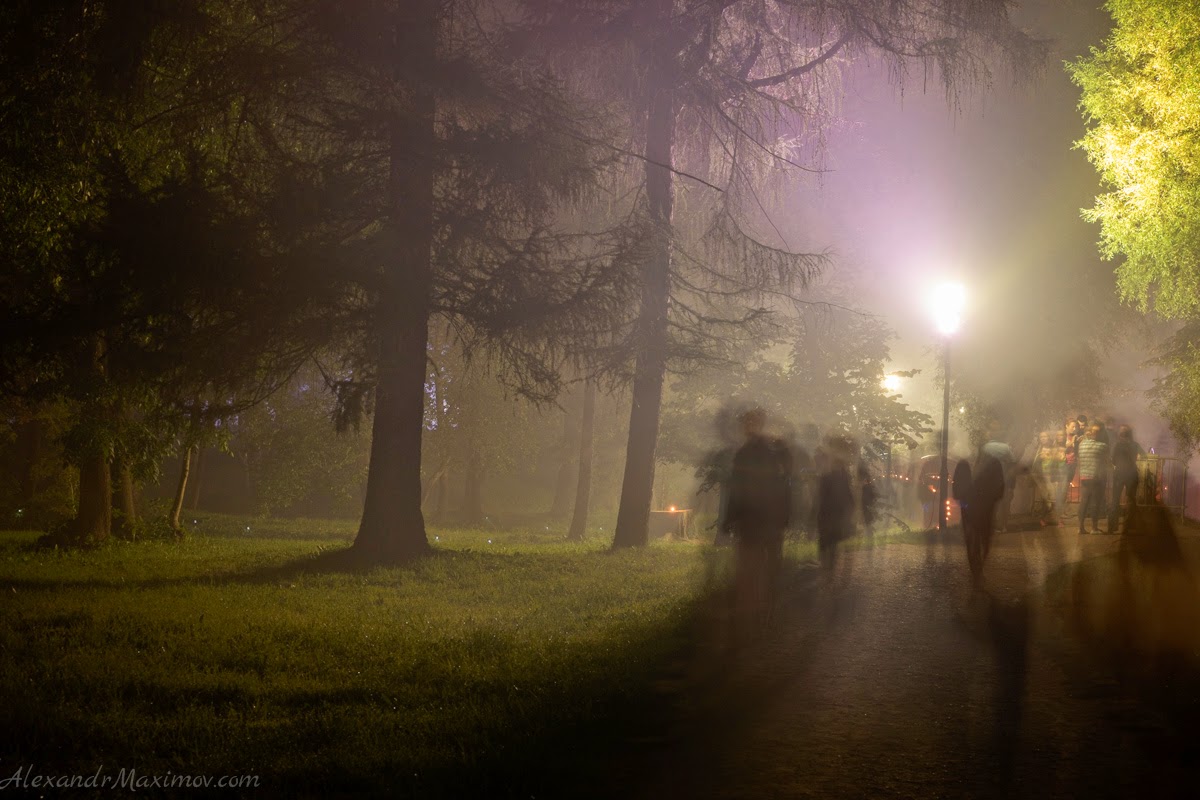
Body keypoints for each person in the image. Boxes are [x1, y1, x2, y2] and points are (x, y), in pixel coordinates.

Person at [722, 408, 792, 628]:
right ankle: (762, 609)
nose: (746, 427)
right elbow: (784, 486)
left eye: (748, 423)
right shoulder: (773, 451)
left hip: (756, 519)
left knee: (754, 566)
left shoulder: (748, 453)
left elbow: (737, 489)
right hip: (765, 519)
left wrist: (730, 517)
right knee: (766, 566)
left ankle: (754, 612)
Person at [816, 436, 855, 570]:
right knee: (828, 540)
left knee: (829, 540)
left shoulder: (836, 473)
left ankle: (828, 567)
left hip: (832, 510)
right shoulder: (837, 473)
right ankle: (827, 566)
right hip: (830, 510)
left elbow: (846, 494)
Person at [1108, 425, 1144, 533]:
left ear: (1120, 434)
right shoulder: (1135, 445)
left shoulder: (1116, 445)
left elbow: (1112, 459)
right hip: (1132, 473)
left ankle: (1112, 527)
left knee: (1115, 500)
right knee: (1131, 500)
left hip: (1119, 473)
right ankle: (1128, 526)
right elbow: (1144, 455)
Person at [1076, 423, 1109, 534]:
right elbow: (1107, 461)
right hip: (1096, 478)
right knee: (1095, 502)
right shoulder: (1102, 446)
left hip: (1084, 477)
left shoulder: (1081, 445)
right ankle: (1094, 528)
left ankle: (1080, 527)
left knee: (1084, 502)